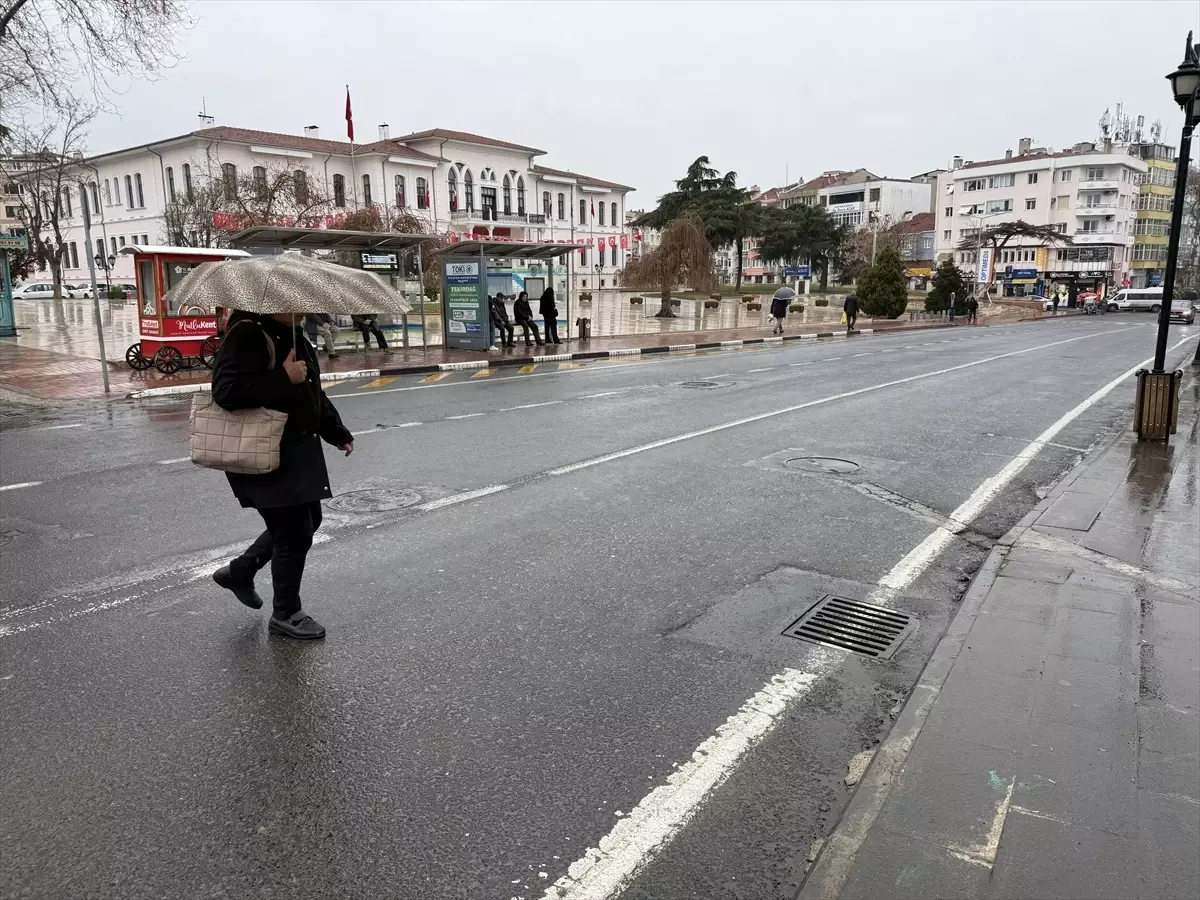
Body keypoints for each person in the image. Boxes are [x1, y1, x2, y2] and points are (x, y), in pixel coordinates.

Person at [210, 310, 354, 640]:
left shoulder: (294, 334)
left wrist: (336, 430)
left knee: (309, 520)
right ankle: (286, 612)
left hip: (295, 451)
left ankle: (240, 571)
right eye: (295, 304)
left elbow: (311, 391)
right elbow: (226, 392)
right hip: (263, 452)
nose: (302, 310)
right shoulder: (246, 333)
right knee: (294, 530)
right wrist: (282, 377)